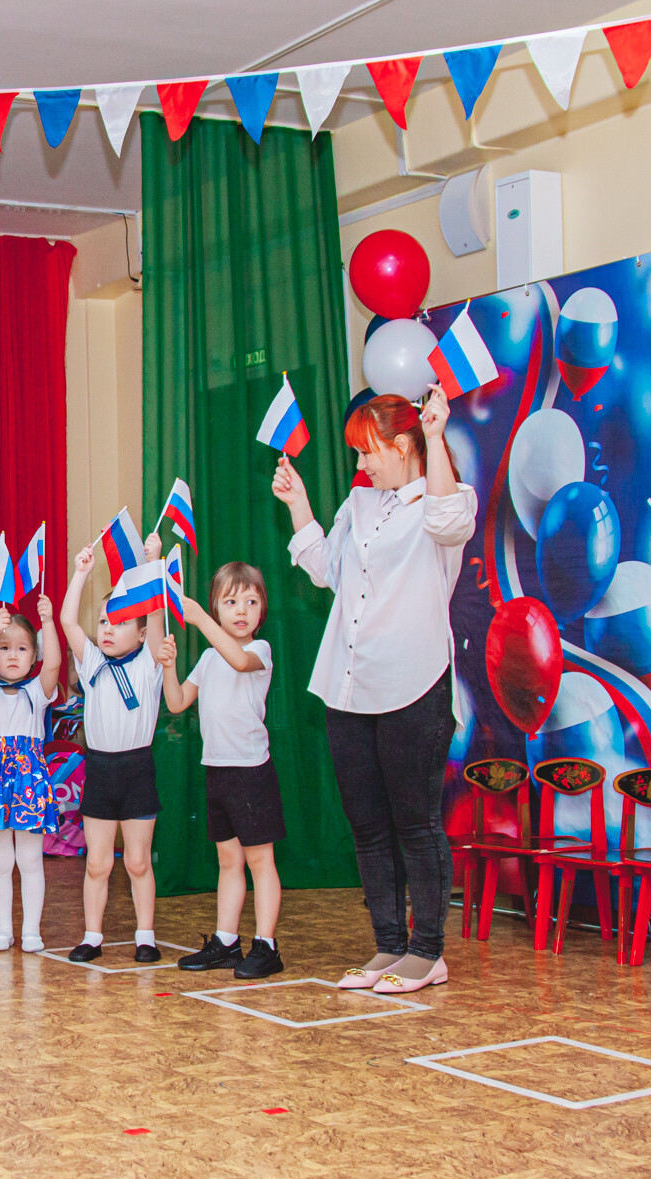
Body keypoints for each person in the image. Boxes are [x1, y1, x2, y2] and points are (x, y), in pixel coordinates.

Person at [273, 387, 475, 994]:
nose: (360, 464)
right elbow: (326, 570)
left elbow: (448, 524)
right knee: (367, 824)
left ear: (403, 445)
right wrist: (299, 504)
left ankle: (427, 952)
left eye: (368, 451)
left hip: (414, 685)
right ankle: (388, 945)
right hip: (349, 686)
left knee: (416, 821)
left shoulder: (445, 499)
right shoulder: (360, 504)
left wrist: (435, 436)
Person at [159, 562, 287, 978]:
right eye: (231, 602)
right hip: (217, 771)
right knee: (229, 860)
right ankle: (227, 942)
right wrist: (168, 667)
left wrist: (199, 619)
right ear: (216, 606)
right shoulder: (208, 658)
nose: (241, 610)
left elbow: (238, 661)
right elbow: (177, 702)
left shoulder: (259, 651)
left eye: (251, 602)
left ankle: (266, 946)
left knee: (260, 861)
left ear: (262, 609)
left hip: (251, 773)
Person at [58, 535, 171, 964]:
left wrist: (153, 562)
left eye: (120, 622)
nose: (107, 628)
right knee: (98, 863)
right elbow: (69, 621)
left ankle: (146, 936)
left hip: (137, 769)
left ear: (140, 634)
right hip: (101, 771)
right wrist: (81, 573)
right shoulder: (91, 663)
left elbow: (156, 613)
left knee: (138, 862)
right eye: (105, 621)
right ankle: (92, 936)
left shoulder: (149, 662)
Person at [0, 576, 65, 953]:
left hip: (30, 783)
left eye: (22, 648)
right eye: (4, 648)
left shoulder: (37, 692)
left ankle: (32, 932)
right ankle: (3, 931)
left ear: (33, 655)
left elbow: (54, 665)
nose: (12, 655)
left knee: (30, 859)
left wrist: (49, 622)